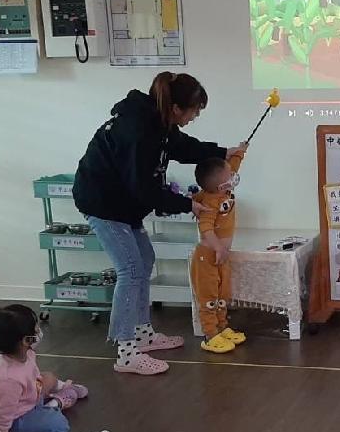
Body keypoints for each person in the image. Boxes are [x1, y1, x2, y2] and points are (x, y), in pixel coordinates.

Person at [73, 72, 247, 375]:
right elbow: (144, 188)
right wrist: (188, 205)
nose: (195, 117)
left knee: (145, 260)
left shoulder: (160, 122)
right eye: (194, 111)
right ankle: (126, 350)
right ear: (177, 108)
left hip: (124, 205)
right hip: (102, 204)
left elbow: (182, 147)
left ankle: (142, 333)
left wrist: (221, 152)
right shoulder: (138, 130)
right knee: (130, 270)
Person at [0, 305, 87, 432]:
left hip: (30, 397)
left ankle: (55, 399)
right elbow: (1, 416)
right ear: (26, 340)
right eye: (36, 329)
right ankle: (56, 404)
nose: (39, 331)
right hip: (17, 419)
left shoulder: (26, 352)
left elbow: (33, 377)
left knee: (49, 377)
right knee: (58, 423)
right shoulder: (6, 380)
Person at [190, 153, 247, 354]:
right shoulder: (208, 202)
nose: (234, 176)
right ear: (219, 185)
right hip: (208, 256)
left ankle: (222, 328)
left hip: (221, 255)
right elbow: (206, 228)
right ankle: (210, 335)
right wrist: (218, 247)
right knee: (209, 297)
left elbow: (231, 166)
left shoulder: (224, 192)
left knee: (223, 294)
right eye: (230, 176)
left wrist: (240, 151)